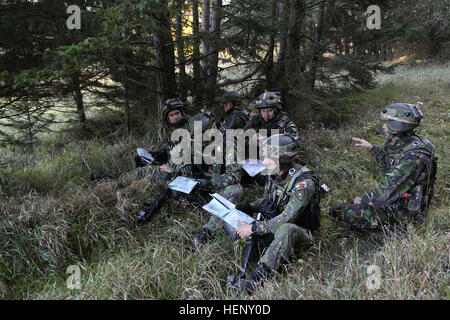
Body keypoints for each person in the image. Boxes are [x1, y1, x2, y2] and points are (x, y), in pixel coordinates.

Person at [226, 134, 321, 294]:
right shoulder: (273, 173)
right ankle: (262, 251)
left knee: (286, 229)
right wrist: (247, 207)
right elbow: (265, 201)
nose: (264, 162)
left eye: (268, 158)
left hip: (300, 234)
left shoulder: (304, 184)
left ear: (281, 160)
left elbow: (288, 217)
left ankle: (254, 282)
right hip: (274, 226)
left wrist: (254, 228)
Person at [329, 103, 437, 233]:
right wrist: (372, 148)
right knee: (349, 206)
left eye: (387, 122)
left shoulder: (413, 157)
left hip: (406, 214)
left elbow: (384, 193)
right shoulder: (405, 142)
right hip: (400, 201)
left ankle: (399, 230)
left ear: (397, 126)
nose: (383, 126)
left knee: (346, 211)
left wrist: (361, 201)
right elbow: (389, 165)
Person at [134, 98, 191, 183]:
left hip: (182, 172)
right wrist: (153, 154)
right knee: (139, 162)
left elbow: (193, 158)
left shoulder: (191, 129)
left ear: (182, 113)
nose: (175, 117)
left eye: (177, 113)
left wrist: (172, 169)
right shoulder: (173, 131)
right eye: (171, 115)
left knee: (142, 174)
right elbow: (168, 150)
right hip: (171, 166)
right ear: (168, 118)